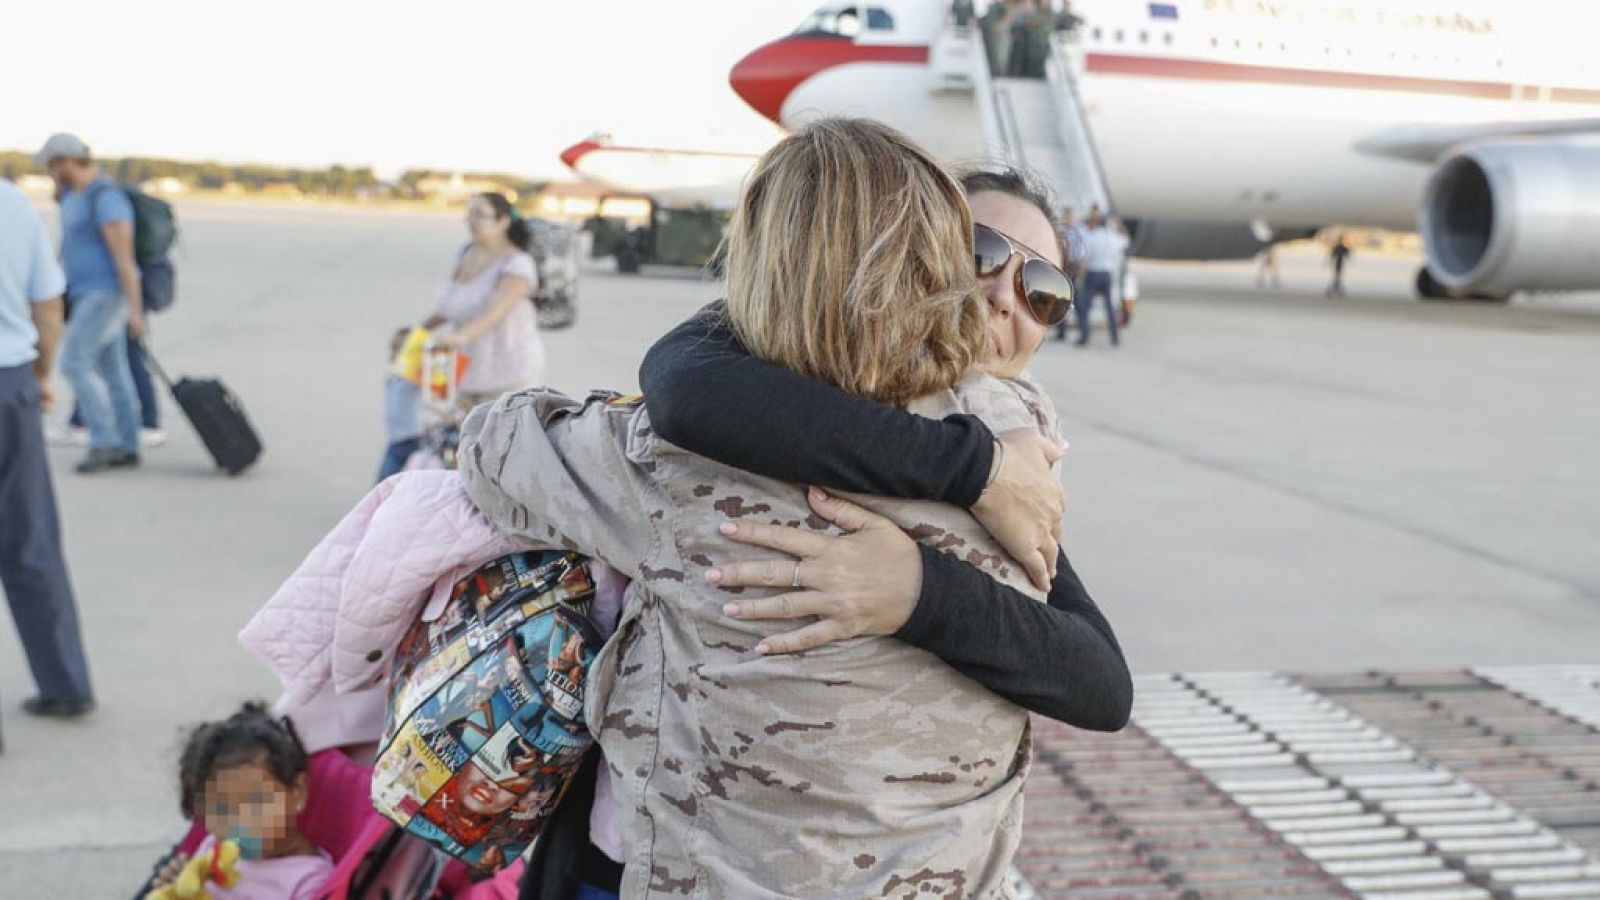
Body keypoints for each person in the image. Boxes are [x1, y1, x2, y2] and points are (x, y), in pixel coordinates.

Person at [462, 119, 1127, 897]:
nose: (999, 295)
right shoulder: (1003, 457)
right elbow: (695, 388)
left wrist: (917, 588)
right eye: (977, 254)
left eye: (1040, 290)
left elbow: (1099, 683)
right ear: (914, 258)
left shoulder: (1016, 464)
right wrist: (969, 472)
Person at [0, 177, 96, 720]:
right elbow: (48, 303)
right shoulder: (13, 202)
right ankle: (65, 682)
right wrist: (39, 372)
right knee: (30, 543)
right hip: (9, 381)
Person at [36, 133, 145, 472]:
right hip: (82, 293)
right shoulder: (73, 195)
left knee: (73, 363)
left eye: (53, 165)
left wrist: (135, 311)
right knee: (114, 370)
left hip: (105, 293)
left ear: (68, 160)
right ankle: (128, 444)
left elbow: (125, 259)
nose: (50, 172)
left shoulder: (106, 198)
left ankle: (105, 441)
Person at [153, 703, 334, 899]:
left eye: (257, 802)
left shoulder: (308, 879)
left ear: (297, 792)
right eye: (222, 809)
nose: (241, 823)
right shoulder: (213, 847)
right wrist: (176, 885)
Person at [421, 192, 542, 411]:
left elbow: (498, 310)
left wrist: (460, 336)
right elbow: (453, 303)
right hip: (466, 368)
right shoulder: (467, 252)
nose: (471, 221)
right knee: (461, 435)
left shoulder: (518, 263)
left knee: (499, 437)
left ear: (503, 221)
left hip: (507, 370)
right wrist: (421, 329)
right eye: (469, 214)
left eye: (480, 215)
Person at [1075, 209, 1128, 346]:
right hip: (1106, 275)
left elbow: (1084, 260)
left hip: (1092, 274)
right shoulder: (1112, 237)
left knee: (1085, 307)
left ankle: (1085, 337)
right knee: (1109, 308)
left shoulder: (1090, 237)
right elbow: (1125, 241)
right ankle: (1115, 337)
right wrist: (1120, 225)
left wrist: (1080, 277)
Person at [1055, 204, 1088, 340]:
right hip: (1063, 267)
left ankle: (1084, 333)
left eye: (1067, 216)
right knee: (1061, 301)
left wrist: (1080, 276)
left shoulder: (1079, 232)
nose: (1066, 218)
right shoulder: (1061, 231)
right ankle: (1061, 332)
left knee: (1078, 303)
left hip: (1073, 268)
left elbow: (1081, 256)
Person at [1328, 232, 1352, 297]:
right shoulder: (1341, 248)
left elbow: (1333, 255)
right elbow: (1348, 254)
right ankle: (1336, 290)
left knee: (1337, 277)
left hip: (1339, 263)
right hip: (1339, 264)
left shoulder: (1338, 247)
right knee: (1337, 277)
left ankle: (1335, 290)